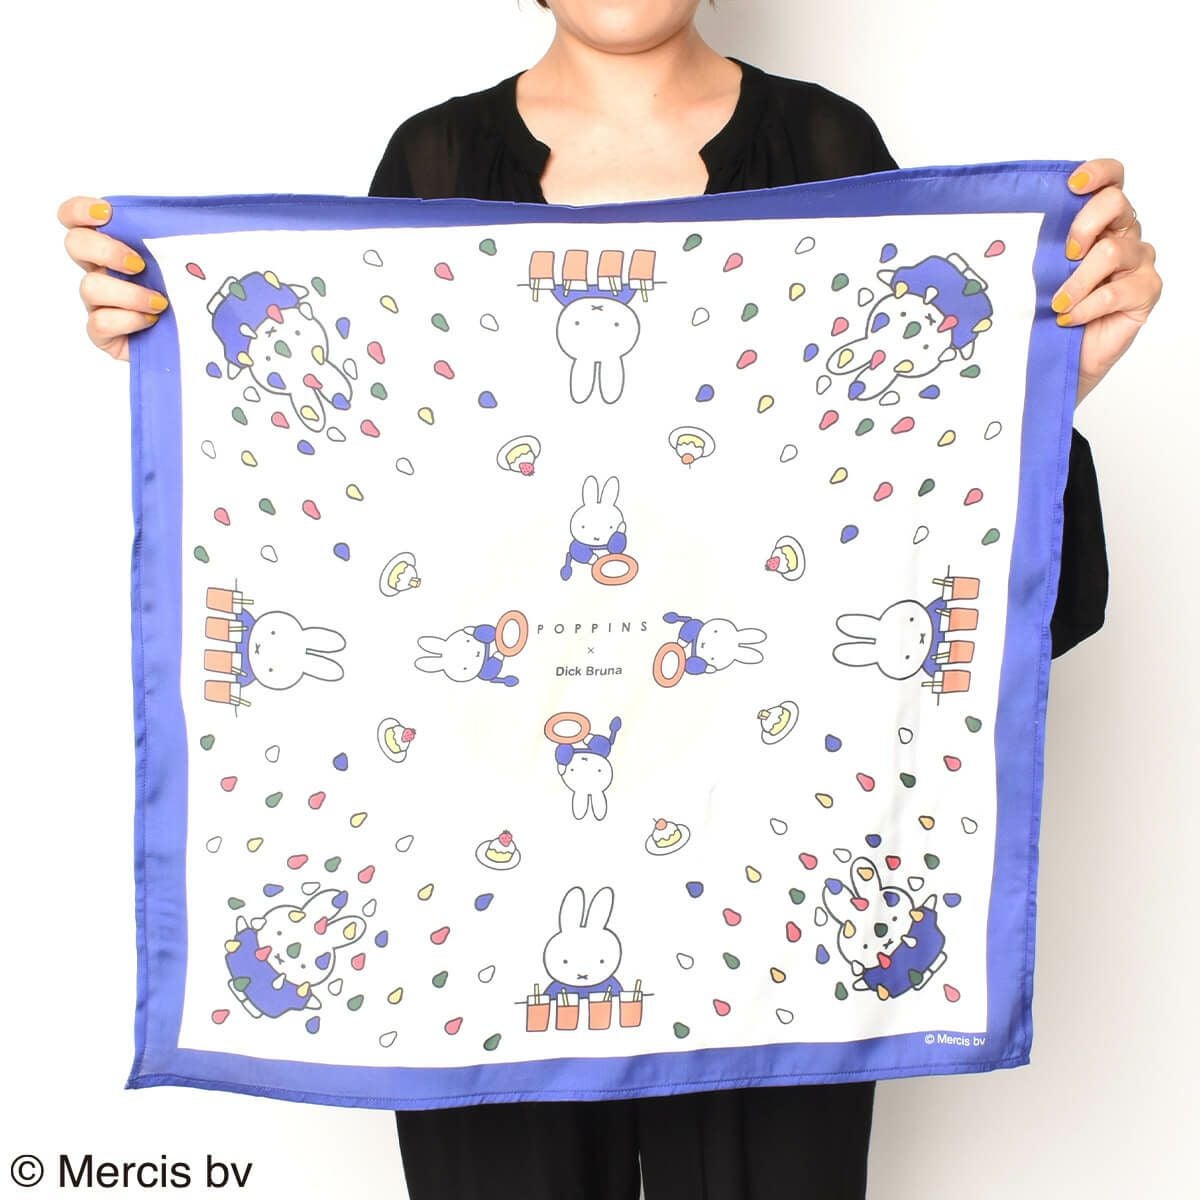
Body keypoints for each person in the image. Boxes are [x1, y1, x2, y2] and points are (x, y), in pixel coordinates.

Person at [57, 2, 1161, 1197]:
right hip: (483, 890)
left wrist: (1030, 402)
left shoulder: (826, 148)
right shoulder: (433, 161)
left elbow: (902, 512)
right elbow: (368, 502)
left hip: (765, 892)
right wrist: (191, 367)